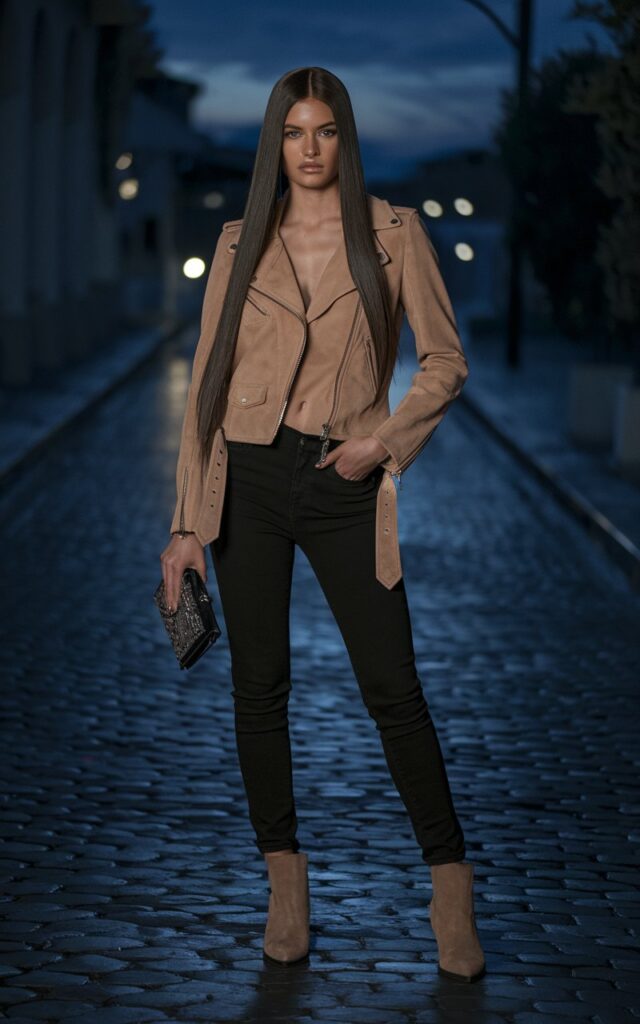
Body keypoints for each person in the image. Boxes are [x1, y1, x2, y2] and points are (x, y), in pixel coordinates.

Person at [160, 66, 485, 982]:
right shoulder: (238, 241)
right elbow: (206, 391)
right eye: (294, 131)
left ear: (345, 138)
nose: (309, 148)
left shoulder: (392, 236)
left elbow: (446, 362)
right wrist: (188, 522)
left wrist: (379, 444)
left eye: (326, 130)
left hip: (346, 477)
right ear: (277, 141)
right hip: (249, 479)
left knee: (394, 688)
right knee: (258, 690)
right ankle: (286, 887)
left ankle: (450, 886)